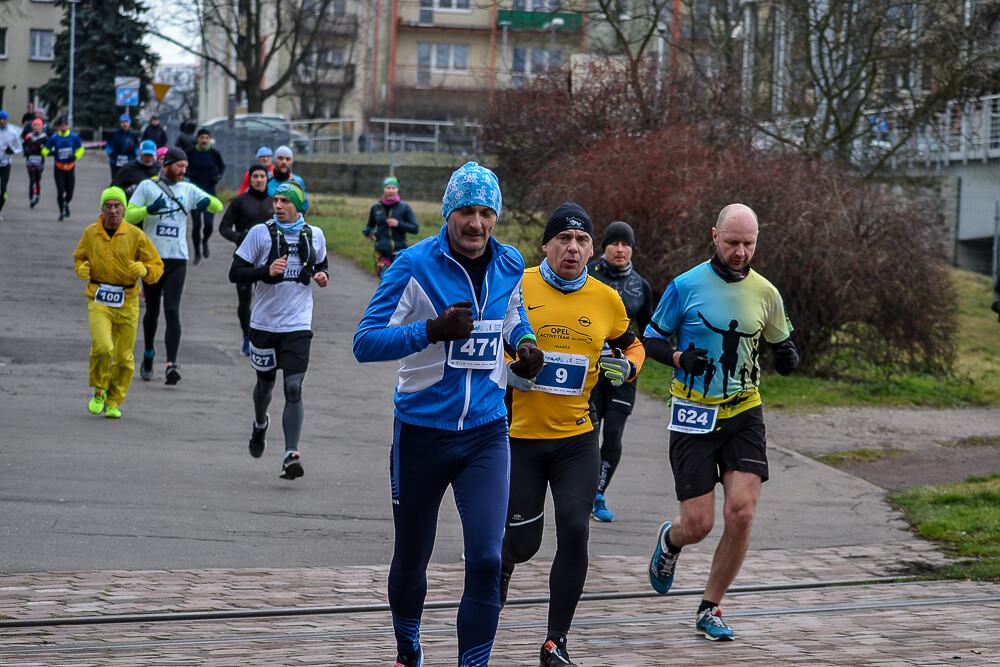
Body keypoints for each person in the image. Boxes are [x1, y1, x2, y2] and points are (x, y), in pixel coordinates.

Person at [353, 161, 544, 667]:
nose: (476, 224)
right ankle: (408, 649)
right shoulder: (414, 264)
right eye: (466, 211)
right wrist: (430, 331)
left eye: (486, 212)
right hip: (421, 433)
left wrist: (523, 343)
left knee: (486, 558)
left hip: (486, 433)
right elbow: (364, 343)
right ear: (448, 211)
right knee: (413, 557)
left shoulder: (508, 263)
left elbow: (512, 317)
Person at [643, 203, 798, 641]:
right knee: (699, 524)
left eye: (748, 244)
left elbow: (780, 340)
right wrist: (678, 358)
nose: (740, 252)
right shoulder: (685, 285)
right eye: (732, 243)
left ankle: (710, 607)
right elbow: (650, 339)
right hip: (693, 415)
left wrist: (788, 357)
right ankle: (671, 542)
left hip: (744, 411)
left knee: (742, 515)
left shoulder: (766, 292)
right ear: (714, 237)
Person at [501, 202, 645, 667]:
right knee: (521, 545)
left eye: (582, 240)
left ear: (591, 250)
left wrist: (628, 368)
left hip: (576, 439)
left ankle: (554, 642)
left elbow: (634, 344)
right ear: (546, 244)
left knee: (576, 530)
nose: (573, 248)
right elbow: (483, 343)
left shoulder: (607, 298)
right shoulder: (517, 283)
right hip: (519, 438)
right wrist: (507, 374)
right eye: (563, 239)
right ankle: (487, 612)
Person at [229, 181, 328, 479]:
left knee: (294, 388)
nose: (278, 206)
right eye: (276, 200)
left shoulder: (315, 234)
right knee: (265, 386)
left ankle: (291, 454)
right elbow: (235, 273)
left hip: (298, 325)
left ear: (299, 205)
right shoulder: (259, 234)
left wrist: (322, 275)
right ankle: (260, 424)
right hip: (263, 325)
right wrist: (266, 272)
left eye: (285, 201)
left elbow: (321, 263)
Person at [125, 147, 223, 385]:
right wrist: (148, 210)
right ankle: (148, 355)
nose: (183, 171)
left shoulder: (188, 189)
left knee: (172, 310)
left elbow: (218, 206)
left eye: (185, 167)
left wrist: (206, 203)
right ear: (166, 165)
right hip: (152, 259)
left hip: (177, 259)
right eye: (179, 166)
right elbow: (129, 216)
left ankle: (172, 364)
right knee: (152, 312)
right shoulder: (147, 187)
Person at [73, 187, 164, 418]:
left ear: (124, 209)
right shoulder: (91, 233)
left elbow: (157, 266)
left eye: (117, 206)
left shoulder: (135, 235)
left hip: (128, 300)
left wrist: (144, 269)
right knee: (103, 347)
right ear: (102, 209)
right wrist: (81, 268)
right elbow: (79, 257)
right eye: (108, 206)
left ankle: (114, 400)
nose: (113, 211)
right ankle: (100, 390)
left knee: (124, 357)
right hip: (99, 296)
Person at [585, 221, 654, 523]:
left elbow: (650, 333)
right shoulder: (588, 276)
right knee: (591, 433)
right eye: (614, 243)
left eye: (626, 244)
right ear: (604, 248)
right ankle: (583, 492)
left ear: (632, 249)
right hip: (590, 370)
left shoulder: (641, 286)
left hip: (624, 372)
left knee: (612, 435)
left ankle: (598, 494)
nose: (620, 249)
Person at [220, 164, 275, 355]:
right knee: (244, 303)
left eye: (262, 176)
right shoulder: (240, 201)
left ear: (267, 179)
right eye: (255, 177)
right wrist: (240, 238)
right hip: (245, 260)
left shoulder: (274, 202)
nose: (259, 180)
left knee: (267, 301)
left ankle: (264, 338)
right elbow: (224, 227)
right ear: (249, 180)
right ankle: (246, 336)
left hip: (269, 261)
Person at [363, 176, 419, 280]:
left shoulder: (405, 207)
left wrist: (399, 224)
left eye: (393, 188)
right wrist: (370, 233)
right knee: (384, 280)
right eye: (388, 188)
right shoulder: (376, 208)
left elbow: (415, 229)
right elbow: (369, 226)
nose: (390, 191)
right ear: (383, 189)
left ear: (397, 189)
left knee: (397, 283)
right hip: (381, 251)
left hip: (399, 252)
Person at [185, 127, 227, 263]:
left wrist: (218, 176)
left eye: (206, 138)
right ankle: (197, 252)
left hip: (210, 192)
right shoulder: (190, 153)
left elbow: (222, 166)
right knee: (196, 225)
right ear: (197, 139)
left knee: (208, 224)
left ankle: (205, 241)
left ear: (209, 140)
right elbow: (182, 166)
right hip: (195, 193)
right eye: (202, 138)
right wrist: (188, 174)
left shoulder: (214, 153)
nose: (204, 140)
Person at [42, 117, 84, 221]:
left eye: (65, 125)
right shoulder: (54, 138)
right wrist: (50, 153)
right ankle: (61, 212)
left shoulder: (74, 137)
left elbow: (81, 149)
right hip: (59, 168)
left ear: (67, 126)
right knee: (60, 191)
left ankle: (66, 203)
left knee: (69, 193)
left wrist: (75, 156)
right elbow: (44, 151)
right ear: (59, 127)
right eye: (61, 125)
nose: (63, 127)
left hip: (70, 168)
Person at [266, 146, 308, 212]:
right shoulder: (265, 178)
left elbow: (303, 206)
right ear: (274, 160)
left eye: (288, 159)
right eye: (280, 158)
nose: (284, 162)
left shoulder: (297, 181)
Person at [0, 110, 23, 224]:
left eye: (4, 119)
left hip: (5, 164)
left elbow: (20, 149)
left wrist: (12, 151)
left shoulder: (13, 133)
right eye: (0, 119)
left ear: (7, 120)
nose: (2, 121)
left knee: (3, 188)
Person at [22, 118, 47, 208]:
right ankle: (31, 199)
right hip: (30, 161)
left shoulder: (44, 137)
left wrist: (42, 148)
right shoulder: (29, 136)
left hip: (40, 161)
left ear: (41, 127)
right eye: (35, 126)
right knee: (31, 180)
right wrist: (26, 151)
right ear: (33, 127)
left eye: (38, 126)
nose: (36, 127)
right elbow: (24, 144)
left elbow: (47, 147)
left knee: (37, 179)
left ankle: (38, 195)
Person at [106, 114, 140, 180]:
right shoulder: (114, 134)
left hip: (129, 162)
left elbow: (137, 147)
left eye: (126, 122)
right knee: (116, 180)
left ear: (129, 123)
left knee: (128, 180)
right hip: (115, 162)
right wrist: (112, 155)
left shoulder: (133, 135)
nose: (124, 124)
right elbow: (109, 145)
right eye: (122, 122)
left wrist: (134, 155)